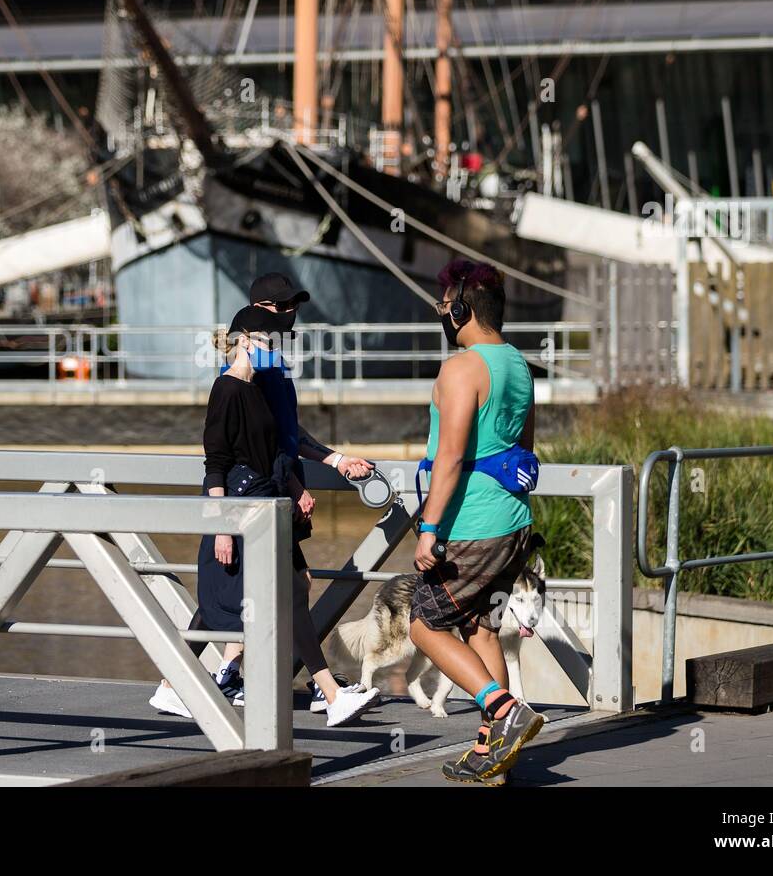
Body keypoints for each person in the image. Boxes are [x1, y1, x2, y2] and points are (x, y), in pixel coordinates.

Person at [148, 306, 380, 727]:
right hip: (239, 511)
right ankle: (328, 694)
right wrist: (220, 528)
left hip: (265, 504)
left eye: (277, 344)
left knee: (281, 595)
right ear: (245, 340)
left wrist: (297, 486)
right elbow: (215, 463)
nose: (274, 350)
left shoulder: (258, 388)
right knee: (276, 597)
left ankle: (173, 684)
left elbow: (276, 450)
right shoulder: (228, 389)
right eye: (267, 343)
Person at [411, 260, 545, 785]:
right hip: (512, 520)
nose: (443, 312)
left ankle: (505, 709)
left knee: (424, 623)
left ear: (463, 310)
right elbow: (525, 450)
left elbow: (449, 458)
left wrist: (429, 528)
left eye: (445, 303)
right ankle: (494, 753)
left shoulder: (461, 368)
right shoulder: (518, 365)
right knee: (480, 625)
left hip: (471, 524)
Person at [245, 271, 378, 712]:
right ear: (259, 310)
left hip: (275, 488)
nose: (290, 314)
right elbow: (248, 439)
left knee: (278, 585)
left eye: (294, 306)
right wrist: (292, 483)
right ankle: (327, 689)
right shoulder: (248, 364)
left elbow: (286, 433)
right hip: (254, 493)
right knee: (274, 586)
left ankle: (207, 677)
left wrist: (333, 462)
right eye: (282, 307)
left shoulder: (275, 361)